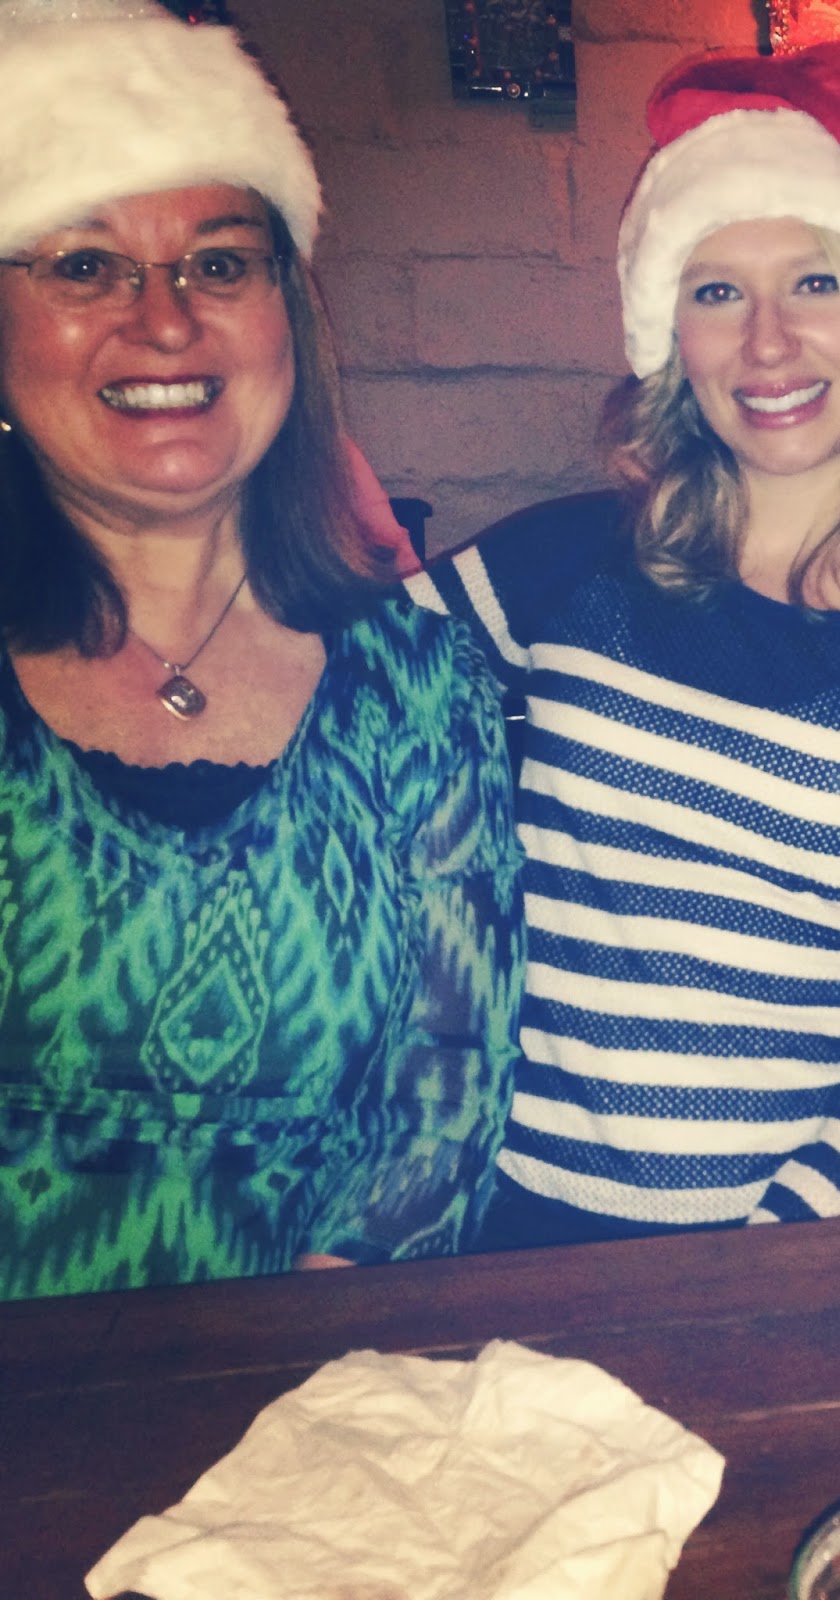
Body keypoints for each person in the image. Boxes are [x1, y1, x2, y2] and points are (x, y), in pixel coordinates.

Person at [409, 31, 840, 1245]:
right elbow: (324, 707)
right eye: (716, 292)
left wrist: (760, 1270)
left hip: (786, 1262)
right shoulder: (565, 565)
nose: (766, 344)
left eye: (814, 283)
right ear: (670, 337)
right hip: (488, 1230)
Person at [0, 0, 522, 1300]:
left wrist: (286, 1366)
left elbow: (448, 1095)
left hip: (315, 1379)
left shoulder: (420, 686)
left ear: (289, 310)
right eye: (84, 265)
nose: (165, 320)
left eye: (220, 263)